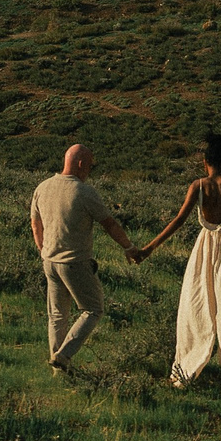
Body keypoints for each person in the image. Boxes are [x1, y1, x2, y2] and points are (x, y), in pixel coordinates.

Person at [135, 131, 221, 391]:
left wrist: (149, 248)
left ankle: (186, 369)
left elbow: (178, 221)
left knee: (197, 307)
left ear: (205, 162)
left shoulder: (198, 186)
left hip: (205, 249)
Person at [29, 143, 140, 375]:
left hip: (49, 261)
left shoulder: (43, 187)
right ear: (80, 164)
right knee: (93, 309)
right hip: (75, 262)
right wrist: (128, 246)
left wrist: (42, 249)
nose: (90, 169)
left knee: (57, 315)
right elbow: (109, 224)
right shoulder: (84, 192)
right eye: (89, 165)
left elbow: (35, 222)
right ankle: (64, 355)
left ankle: (58, 369)